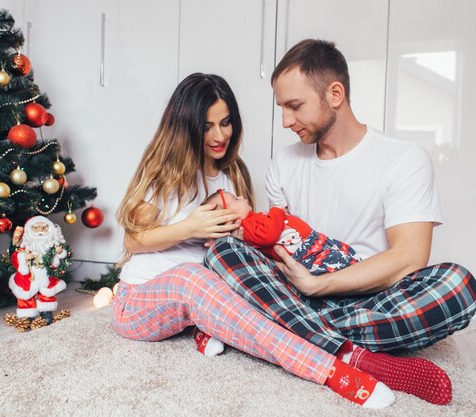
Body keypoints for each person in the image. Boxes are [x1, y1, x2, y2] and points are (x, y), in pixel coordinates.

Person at [204, 40, 476, 406]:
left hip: (372, 298)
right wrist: (299, 283)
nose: (285, 121)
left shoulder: (405, 160)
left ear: (335, 94)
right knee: (221, 252)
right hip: (294, 291)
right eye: (282, 109)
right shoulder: (283, 164)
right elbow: (276, 247)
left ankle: (289, 335)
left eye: (295, 106)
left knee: (458, 285)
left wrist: (320, 285)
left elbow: (410, 257)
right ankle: (358, 357)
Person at [111, 72, 395, 409]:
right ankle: (333, 369)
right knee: (193, 279)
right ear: (185, 126)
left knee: (245, 276)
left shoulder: (233, 174)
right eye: (207, 126)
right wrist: (190, 227)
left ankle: (214, 328)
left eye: (226, 122)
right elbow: (133, 240)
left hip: (202, 296)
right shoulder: (166, 174)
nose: (220, 135)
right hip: (138, 301)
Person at [204, 189, 361, 275]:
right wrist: (277, 210)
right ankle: (353, 275)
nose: (241, 196)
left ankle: (358, 267)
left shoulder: (253, 219)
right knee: (336, 262)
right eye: (235, 199)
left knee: (343, 252)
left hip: (314, 241)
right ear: (228, 216)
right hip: (306, 252)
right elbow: (268, 236)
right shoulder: (245, 226)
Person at [9, 216, 69, 324]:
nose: (40, 231)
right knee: (25, 294)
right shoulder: (25, 245)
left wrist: (60, 252)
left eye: (44, 228)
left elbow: (61, 254)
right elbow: (15, 256)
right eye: (35, 228)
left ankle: (46, 311)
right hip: (29, 275)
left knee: (47, 292)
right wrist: (23, 257)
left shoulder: (51, 244)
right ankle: (26, 315)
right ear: (29, 230)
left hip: (46, 273)